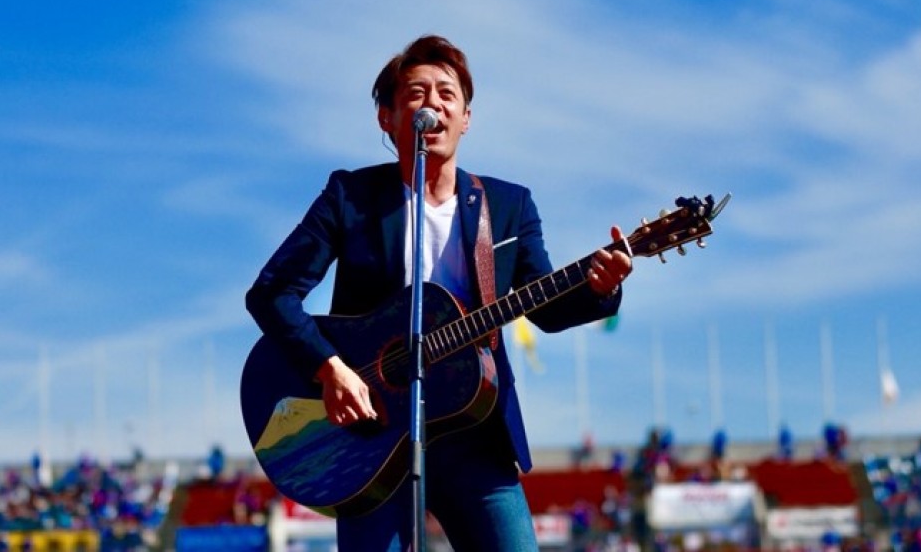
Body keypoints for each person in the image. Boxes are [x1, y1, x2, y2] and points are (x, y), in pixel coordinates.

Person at [245, 34, 632, 551]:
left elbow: (546, 308)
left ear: (466, 118)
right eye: (417, 93)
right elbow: (272, 293)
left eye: (448, 95)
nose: (434, 105)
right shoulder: (351, 197)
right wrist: (330, 370)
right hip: (370, 433)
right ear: (387, 116)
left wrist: (599, 290)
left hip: (473, 430)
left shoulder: (509, 205)